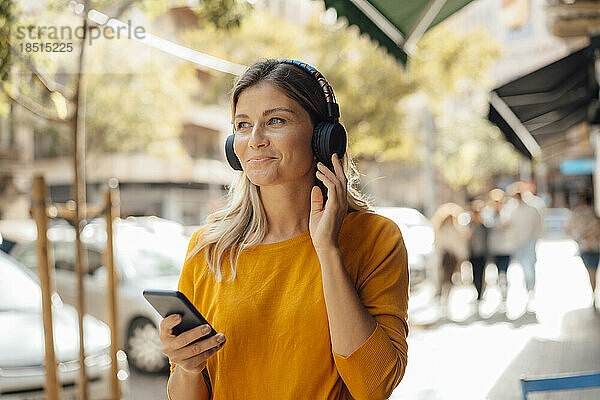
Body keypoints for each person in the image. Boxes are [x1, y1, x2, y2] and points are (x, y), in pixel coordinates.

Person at [159, 59, 409, 400]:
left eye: (275, 121)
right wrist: (188, 367)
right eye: (243, 125)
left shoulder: (376, 239)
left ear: (324, 137)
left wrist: (327, 251)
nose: (255, 139)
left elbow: (373, 386)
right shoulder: (209, 247)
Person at [508, 189, 543, 304]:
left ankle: (531, 288)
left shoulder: (531, 210)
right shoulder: (513, 211)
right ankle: (529, 288)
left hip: (529, 242)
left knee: (529, 266)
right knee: (524, 266)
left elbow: (538, 225)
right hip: (519, 243)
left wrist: (535, 237)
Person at [566, 193, 599, 309]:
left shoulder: (578, 215)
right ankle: (594, 292)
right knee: (593, 271)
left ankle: (594, 292)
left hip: (586, 247)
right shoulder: (595, 214)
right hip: (595, 247)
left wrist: (579, 237)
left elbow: (569, 230)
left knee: (590, 271)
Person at [433, 204, 468, 307]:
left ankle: (446, 297)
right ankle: (441, 295)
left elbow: (459, 244)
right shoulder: (440, 230)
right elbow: (438, 244)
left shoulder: (456, 229)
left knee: (450, 278)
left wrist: (461, 255)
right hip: (444, 256)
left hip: (452, 257)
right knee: (443, 277)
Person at [485, 189, 513, 301]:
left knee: (504, 270)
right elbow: (489, 225)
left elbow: (508, 225)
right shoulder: (488, 213)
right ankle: (501, 288)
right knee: (498, 270)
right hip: (495, 247)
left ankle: (504, 287)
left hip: (506, 247)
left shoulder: (507, 211)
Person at [467, 199, 489, 303]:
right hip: (473, 254)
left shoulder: (484, 226)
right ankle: (477, 290)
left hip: (482, 253)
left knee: (482, 273)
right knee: (475, 274)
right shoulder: (470, 225)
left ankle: (481, 292)